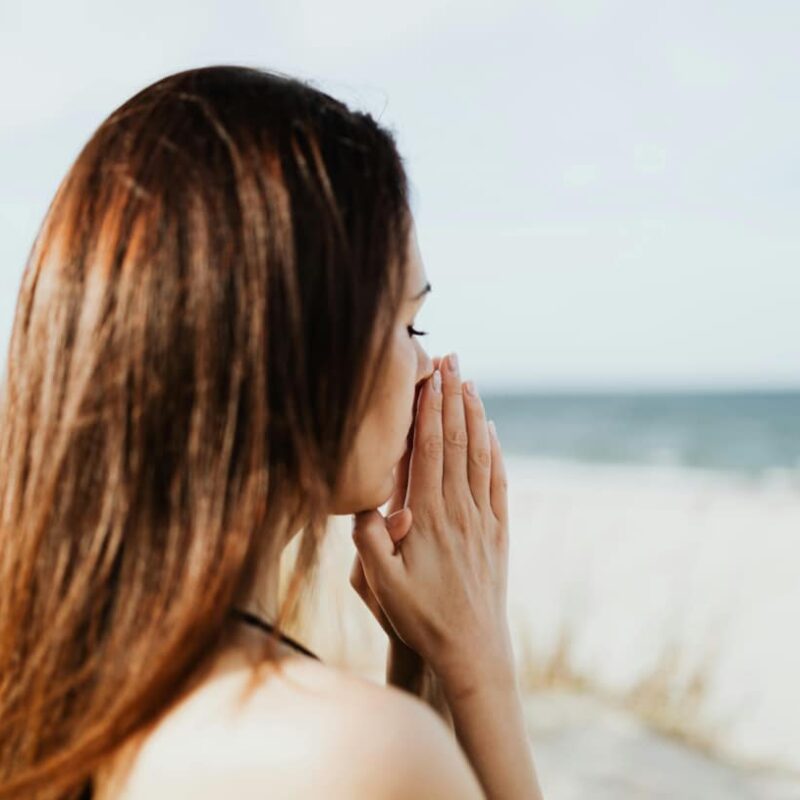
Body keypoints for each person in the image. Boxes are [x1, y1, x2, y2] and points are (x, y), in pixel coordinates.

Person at [0, 65, 543, 799]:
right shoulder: (357, 756)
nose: (426, 367)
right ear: (296, 345)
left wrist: (425, 670)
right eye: (407, 323)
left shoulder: (60, 680)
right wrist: (482, 668)